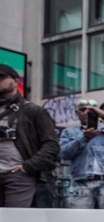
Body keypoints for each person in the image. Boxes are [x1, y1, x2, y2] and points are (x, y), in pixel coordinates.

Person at [0, 64, 59, 208]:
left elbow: (51, 145)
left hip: (19, 176)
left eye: (1, 77)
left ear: (16, 81)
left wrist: (28, 166)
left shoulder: (33, 110)